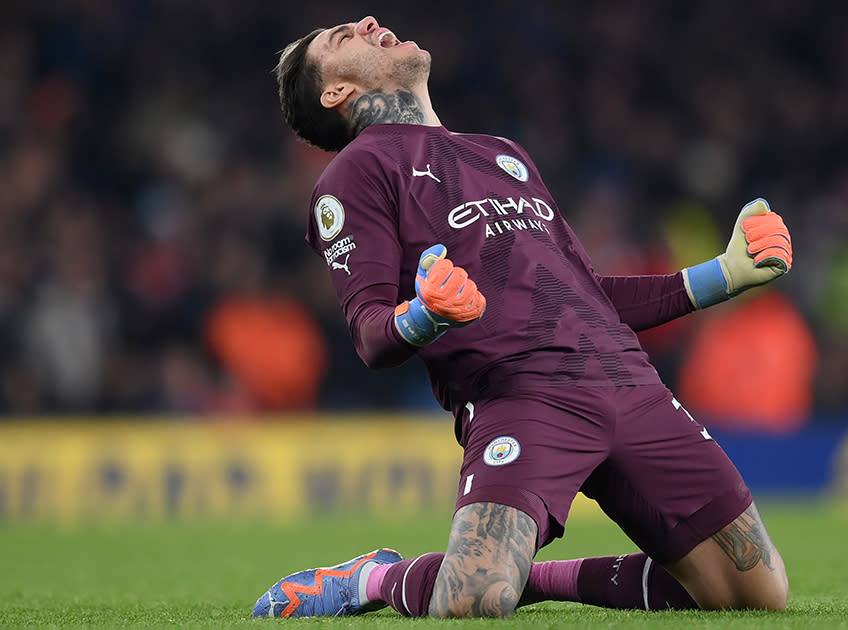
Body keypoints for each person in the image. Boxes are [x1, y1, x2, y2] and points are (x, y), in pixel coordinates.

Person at [254, 15, 795, 619]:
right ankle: (375, 580)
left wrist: (723, 274)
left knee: (755, 594)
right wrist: (425, 315)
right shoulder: (355, 174)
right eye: (342, 36)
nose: (368, 22)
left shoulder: (503, 154)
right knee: (474, 600)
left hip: (629, 384)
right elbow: (371, 334)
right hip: (522, 394)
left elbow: (582, 294)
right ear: (336, 93)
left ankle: (530, 579)